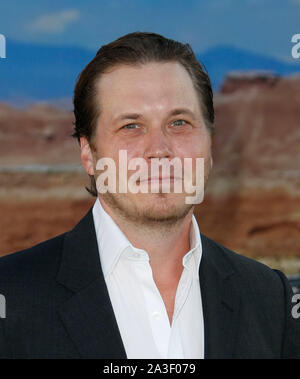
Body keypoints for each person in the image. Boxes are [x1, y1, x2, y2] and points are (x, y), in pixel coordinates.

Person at [0, 32, 299, 359]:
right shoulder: (11, 297)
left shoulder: (270, 299)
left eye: (179, 122)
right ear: (88, 153)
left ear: (210, 145)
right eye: (131, 126)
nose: (159, 150)